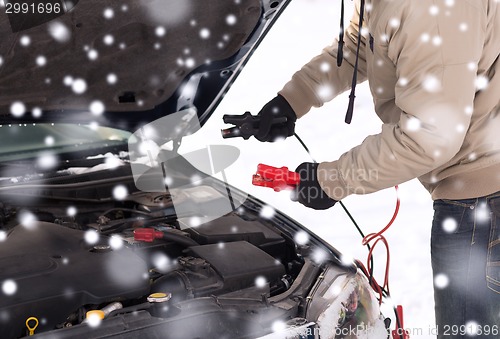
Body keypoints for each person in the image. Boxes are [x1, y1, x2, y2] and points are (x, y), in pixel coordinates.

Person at [254, 0, 500, 338]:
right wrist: (293, 99)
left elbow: (430, 137)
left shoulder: (431, 9)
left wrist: (330, 180)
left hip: (484, 202)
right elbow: (362, 44)